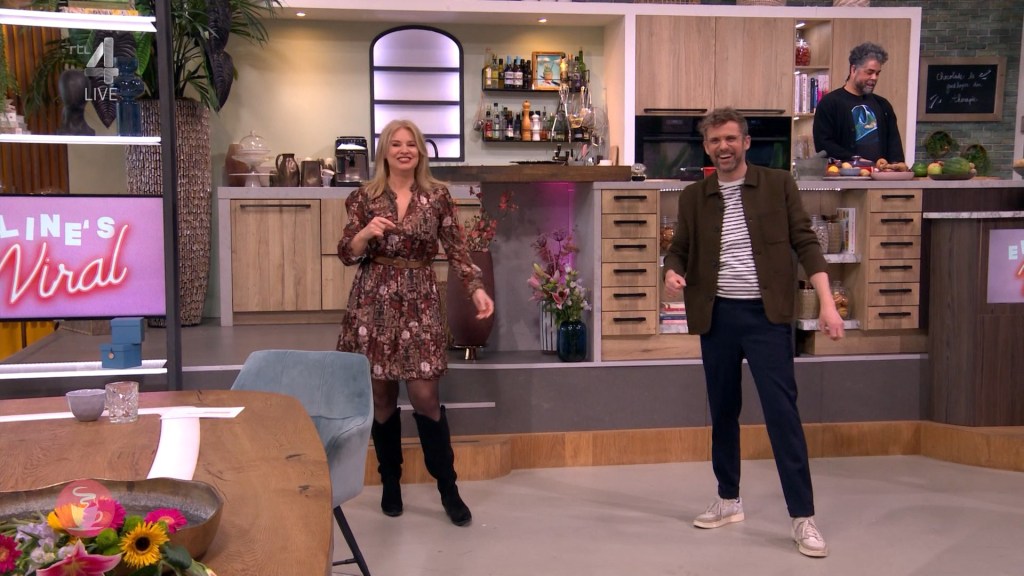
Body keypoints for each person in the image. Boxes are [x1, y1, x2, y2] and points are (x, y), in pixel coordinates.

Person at [663, 108, 845, 558]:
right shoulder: (694, 196)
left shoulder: (778, 184)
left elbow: (806, 243)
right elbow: (679, 249)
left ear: (745, 142)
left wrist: (826, 303)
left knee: (782, 415)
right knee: (723, 411)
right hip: (717, 317)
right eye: (714, 141)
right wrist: (672, 271)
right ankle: (728, 499)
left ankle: (803, 517)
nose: (722, 147)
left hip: (767, 318)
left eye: (730, 138)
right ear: (706, 147)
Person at [337, 119, 494, 526]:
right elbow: (347, 253)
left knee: (424, 395)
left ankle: (448, 489)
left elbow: (457, 250)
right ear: (384, 151)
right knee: (382, 398)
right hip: (373, 301)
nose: (404, 150)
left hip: (420, 299)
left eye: (411, 144)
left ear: (420, 151)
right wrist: (366, 233)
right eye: (396, 144)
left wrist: (476, 288)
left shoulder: (437, 196)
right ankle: (390, 482)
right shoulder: (364, 197)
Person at [813, 42, 904, 164]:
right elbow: (823, 144)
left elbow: (894, 144)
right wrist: (856, 160)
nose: (874, 77)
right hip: (842, 173)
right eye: (869, 72)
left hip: (879, 173)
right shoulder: (829, 103)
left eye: (877, 73)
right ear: (853, 69)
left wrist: (897, 165)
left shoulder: (883, 105)